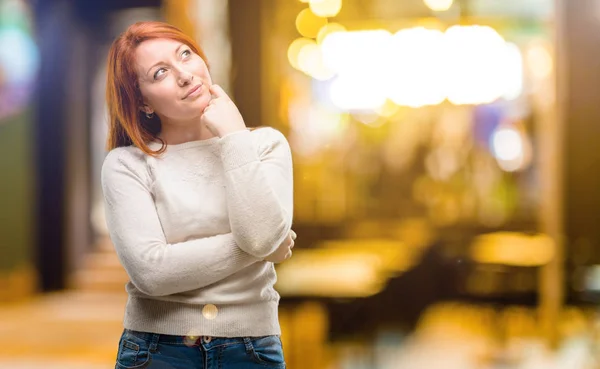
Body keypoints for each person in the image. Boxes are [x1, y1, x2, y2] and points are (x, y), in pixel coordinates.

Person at [102, 21, 295, 369]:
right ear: (143, 101)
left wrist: (234, 135)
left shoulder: (265, 145)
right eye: (160, 72)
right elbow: (152, 273)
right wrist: (261, 247)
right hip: (156, 351)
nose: (185, 75)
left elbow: (263, 236)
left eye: (186, 55)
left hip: (252, 350)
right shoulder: (126, 164)